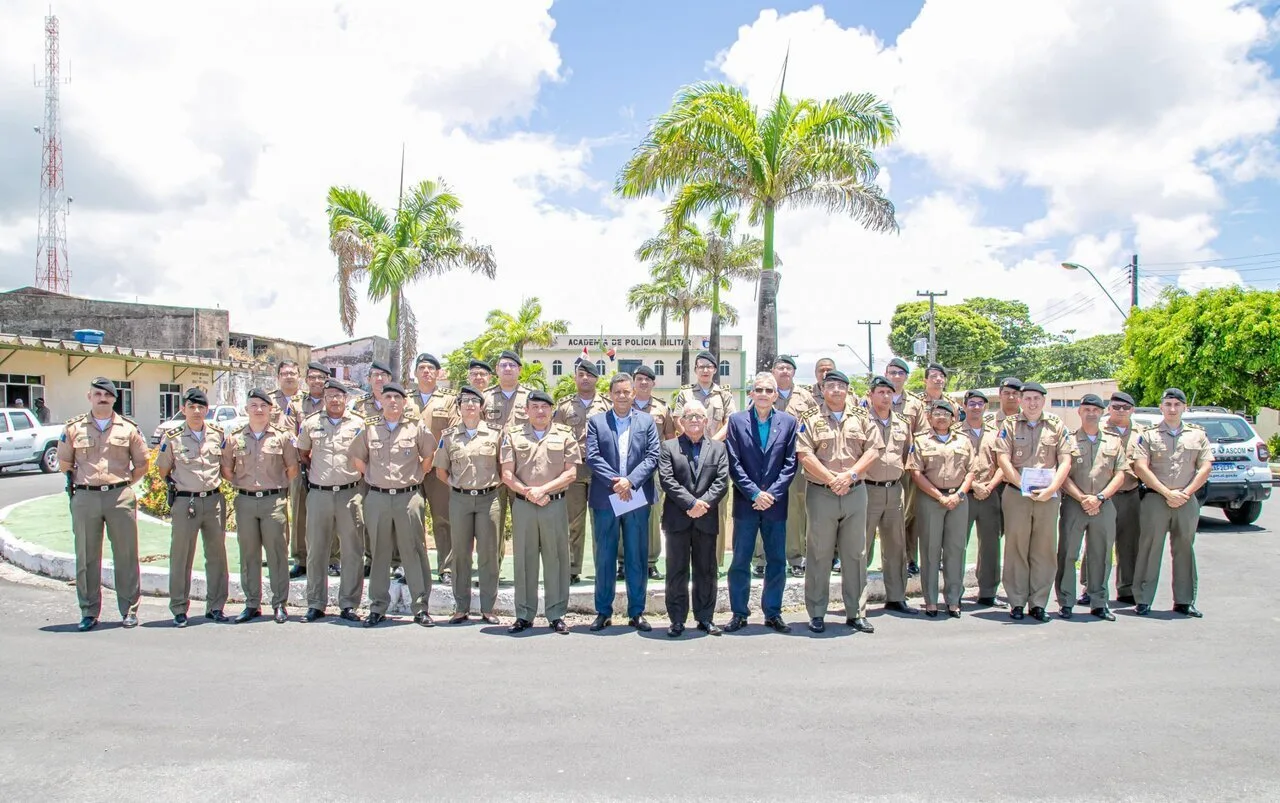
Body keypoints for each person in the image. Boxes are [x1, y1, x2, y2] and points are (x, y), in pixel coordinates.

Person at [57, 377, 149, 632]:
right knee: (86, 556)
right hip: (85, 497)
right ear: (90, 397)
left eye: (107, 395)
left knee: (126, 555)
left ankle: (129, 610)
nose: (102, 398)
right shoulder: (74, 428)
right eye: (98, 394)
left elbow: (142, 463)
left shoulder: (128, 428)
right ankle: (88, 611)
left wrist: (124, 482)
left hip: (118, 496)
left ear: (114, 399)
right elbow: (64, 463)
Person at [794, 370, 879, 634]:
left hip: (855, 491)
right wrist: (832, 479)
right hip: (822, 492)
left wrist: (850, 475)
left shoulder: (863, 418)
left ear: (847, 390)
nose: (836, 390)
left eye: (841, 386)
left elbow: (874, 449)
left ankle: (856, 612)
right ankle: (817, 612)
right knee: (819, 554)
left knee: (855, 554)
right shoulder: (810, 419)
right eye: (830, 386)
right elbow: (804, 454)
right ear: (822, 389)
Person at [348, 382, 437, 627]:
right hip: (377, 497)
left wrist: (418, 474)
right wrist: (373, 478)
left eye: (398, 397)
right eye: (388, 397)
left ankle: (420, 607)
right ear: (382, 401)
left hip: (409, 497)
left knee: (414, 551)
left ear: (404, 402)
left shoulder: (416, 427)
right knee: (379, 552)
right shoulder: (369, 428)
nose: (393, 401)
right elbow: (357, 458)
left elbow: (429, 456)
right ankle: (377, 607)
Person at [723, 372, 799, 633]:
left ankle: (773, 613)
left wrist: (772, 494)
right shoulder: (736, 421)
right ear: (751, 394)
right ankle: (739, 613)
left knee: (777, 561)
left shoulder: (789, 423)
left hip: (776, 505)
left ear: (776, 395)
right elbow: (733, 462)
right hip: (747, 503)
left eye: (769, 390)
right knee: (741, 561)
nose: (764, 394)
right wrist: (755, 493)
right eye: (759, 390)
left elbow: (790, 465)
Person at [500, 389, 581, 634]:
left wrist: (542, 490)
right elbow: (506, 474)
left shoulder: (565, 434)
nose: (540, 411)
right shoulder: (512, 435)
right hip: (524, 505)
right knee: (524, 560)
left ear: (552, 410)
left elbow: (571, 473)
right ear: (526, 411)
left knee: (556, 559)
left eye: (544, 407)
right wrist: (528, 492)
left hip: (553, 504)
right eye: (534, 406)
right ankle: (524, 614)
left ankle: (556, 614)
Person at [586, 373, 661, 632]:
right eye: (617, 392)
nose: (622, 396)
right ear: (609, 394)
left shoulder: (647, 421)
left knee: (636, 556)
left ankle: (636, 612)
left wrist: (630, 482)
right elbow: (593, 456)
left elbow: (653, 456)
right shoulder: (596, 422)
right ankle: (603, 611)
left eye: (626, 392)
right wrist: (617, 483)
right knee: (604, 557)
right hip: (606, 498)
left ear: (633, 394)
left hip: (636, 497)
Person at [993, 381, 1074, 622]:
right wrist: (1021, 484)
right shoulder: (1009, 424)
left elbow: (1065, 460)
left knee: (1044, 550)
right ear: (1020, 400)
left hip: (1047, 496)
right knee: (1016, 548)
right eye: (1027, 398)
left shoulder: (1057, 425)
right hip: (1017, 493)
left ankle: (1038, 603)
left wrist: (1052, 488)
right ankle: (1017, 602)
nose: (1032, 403)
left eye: (1036, 399)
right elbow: (1003, 459)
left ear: (1043, 401)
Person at [1130, 388, 1213, 617]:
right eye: (1168, 404)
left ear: (1185, 407)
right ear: (1161, 407)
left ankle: (1185, 601)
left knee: (1185, 548)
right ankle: (1143, 599)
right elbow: (1140, 466)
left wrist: (1185, 493)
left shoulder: (1197, 435)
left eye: (1177, 404)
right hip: (1156, 499)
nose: (1173, 408)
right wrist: (1167, 492)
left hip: (1186, 500)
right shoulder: (1148, 435)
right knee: (1149, 548)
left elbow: (1205, 466)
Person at [221, 388, 300, 624]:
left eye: (263, 405)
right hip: (245, 501)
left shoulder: (282, 437)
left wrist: (276, 487)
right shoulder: (234, 437)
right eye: (253, 405)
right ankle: (252, 603)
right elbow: (227, 469)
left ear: (270, 409)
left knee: (277, 554)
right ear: (246, 409)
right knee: (249, 555)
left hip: (273, 501)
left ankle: (280, 604)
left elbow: (292, 469)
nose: (258, 409)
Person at [155, 387, 229, 627]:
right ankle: (179, 607)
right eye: (191, 407)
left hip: (214, 500)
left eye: (201, 407)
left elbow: (227, 468)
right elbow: (163, 470)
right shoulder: (173, 437)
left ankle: (216, 606)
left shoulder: (218, 435)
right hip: (185, 501)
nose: (196, 411)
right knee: (181, 556)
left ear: (207, 410)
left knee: (217, 556)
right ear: (182, 409)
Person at [295, 378, 365, 623]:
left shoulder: (359, 424)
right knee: (316, 550)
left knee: (352, 550)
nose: (335, 399)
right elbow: (303, 454)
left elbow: (366, 456)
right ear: (323, 398)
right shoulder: (311, 423)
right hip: (319, 494)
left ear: (346, 398)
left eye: (339, 395)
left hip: (350, 493)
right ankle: (316, 603)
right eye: (330, 395)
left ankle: (349, 603)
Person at [657, 400, 729, 637]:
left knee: (706, 570)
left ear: (706, 421)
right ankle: (677, 619)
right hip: (678, 518)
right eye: (689, 416)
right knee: (676, 570)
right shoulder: (668, 447)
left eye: (699, 416)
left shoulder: (718, 448)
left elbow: (721, 482)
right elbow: (667, 479)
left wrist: (702, 505)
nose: (694, 420)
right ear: (681, 421)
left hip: (706, 519)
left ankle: (705, 618)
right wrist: (690, 503)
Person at [1055, 393, 1129, 621]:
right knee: (1068, 553)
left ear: (1102, 412)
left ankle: (1099, 602)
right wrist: (1082, 498)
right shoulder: (1067, 440)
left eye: (1095, 410)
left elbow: (1121, 474)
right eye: (1086, 409)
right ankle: (1066, 602)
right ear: (1079, 411)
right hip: (1074, 505)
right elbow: (1062, 473)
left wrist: (1099, 497)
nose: (1091, 413)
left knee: (1102, 555)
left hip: (1103, 505)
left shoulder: (1114, 441)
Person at [433, 385, 503, 625]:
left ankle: (488, 608)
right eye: (465, 402)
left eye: (475, 401)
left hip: (488, 499)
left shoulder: (496, 433)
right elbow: (441, 470)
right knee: (460, 554)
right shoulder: (449, 435)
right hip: (460, 499)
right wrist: (457, 485)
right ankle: (461, 607)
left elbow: (504, 467)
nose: (470, 405)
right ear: (459, 407)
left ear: (482, 407)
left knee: (488, 554)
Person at [908, 399, 975, 618]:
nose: (941, 417)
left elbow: (971, 471)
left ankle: (954, 600)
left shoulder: (964, 441)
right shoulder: (920, 441)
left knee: (956, 550)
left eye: (946, 414)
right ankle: (930, 601)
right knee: (929, 550)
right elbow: (916, 473)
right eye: (936, 413)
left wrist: (959, 494)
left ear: (954, 418)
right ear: (929, 417)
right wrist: (939, 496)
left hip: (958, 499)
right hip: (931, 498)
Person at [672, 350, 736, 567]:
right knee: (688, 503)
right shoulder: (685, 394)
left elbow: (729, 422)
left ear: (715, 370)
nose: (705, 370)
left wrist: (711, 444)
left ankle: (715, 562)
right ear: (696, 370)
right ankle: (689, 561)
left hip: (716, 456)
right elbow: (677, 419)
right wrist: (693, 439)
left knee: (716, 509)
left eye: (709, 367)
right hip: (687, 454)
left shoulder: (724, 395)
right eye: (701, 367)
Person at [552, 359, 610, 584]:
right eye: (581, 374)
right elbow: (555, 435)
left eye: (590, 375)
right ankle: (572, 568)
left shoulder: (606, 405)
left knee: (602, 520)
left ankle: (603, 568)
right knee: (572, 520)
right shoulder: (565, 406)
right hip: (574, 468)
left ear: (596, 378)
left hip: (600, 470)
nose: (585, 378)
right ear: (575, 378)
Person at [863, 375, 917, 614]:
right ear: (871, 395)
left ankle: (896, 596)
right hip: (867, 489)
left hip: (894, 490)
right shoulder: (861, 421)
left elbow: (909, 454)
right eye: (880, 392)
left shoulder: (902, 423)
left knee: (896, 546)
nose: (885, 396)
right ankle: (857, 599)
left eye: (889, 392)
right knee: (860, 547)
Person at [762, 354, 818, 579]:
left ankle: (796, 557)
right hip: (767, 460)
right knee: (763, 504)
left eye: (788, 368)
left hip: (796, 458)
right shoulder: (764, 392)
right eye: (780, 368)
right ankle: (761, 558)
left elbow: (816, 424)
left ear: (793, 372)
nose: (784, 371)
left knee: (796, 508)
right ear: (774, 372)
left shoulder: (806, 397)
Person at [406, 353, 459, 585]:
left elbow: (453, 432)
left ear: (438, 374)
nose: (426, 372)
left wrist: (434, 458)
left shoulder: (448, 400)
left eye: (431, 368)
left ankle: (446, 567)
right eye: (422, 368)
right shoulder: (405, 399)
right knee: (411, 518)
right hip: (409, 468)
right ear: (415, 373)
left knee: (443, 519)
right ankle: (412, 566)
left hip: (438, 468)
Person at [484, 350, 533, 562]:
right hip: (491, 468)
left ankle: (525, 567)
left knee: (524, 521)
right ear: (496, 370)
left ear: (519, 370)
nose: (507, 369)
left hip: (522, 469)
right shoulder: (485, 397)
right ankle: (492, 568)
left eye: (512, 366)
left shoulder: (531, 397)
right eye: (503, 365)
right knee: (492, 521)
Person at [960, 390, 1005, 606]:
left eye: (979, 403)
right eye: (971, 403)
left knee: (990, 544)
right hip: (964, 495)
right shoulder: (955, 432)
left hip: (990, 493)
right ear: (965, 406)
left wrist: (990, 486)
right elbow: (952, 466)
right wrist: (974, 485)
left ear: (985, 407)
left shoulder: (996, 434)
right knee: (957, 544)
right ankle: (954, 591)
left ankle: (988, 592)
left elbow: (1003, 464)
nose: (976, 407)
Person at [633, 364, 676, 580]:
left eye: (647, 379)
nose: (643, 383)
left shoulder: (662, 408)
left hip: (655, 467)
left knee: (652, 514)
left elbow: (670, 438)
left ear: (653, 383)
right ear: (634, 382)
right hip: (628, 469)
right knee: (626, 512)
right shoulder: (623, 405)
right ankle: (624, 561)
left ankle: (651, 561)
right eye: (639, 378)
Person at [270, 360, 310, 580]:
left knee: (299, 510)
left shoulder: (306, 401)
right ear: (278, 376)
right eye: (284, 373)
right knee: (274, 511)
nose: (289, 377)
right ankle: (276, 553)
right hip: (272, 463)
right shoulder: (267, 399)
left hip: (297, 462)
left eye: (293, 373)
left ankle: (299, 557)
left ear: (299, 376)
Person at [1102, 391, 1142, 606]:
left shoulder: (1142, 433)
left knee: (1129, 544)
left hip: (1131, 493)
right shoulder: (1097, 430)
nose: (1120, 411)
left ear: (1132, 410)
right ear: (1109, 408)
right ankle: (1091, 587)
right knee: (1099, 543)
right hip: (1104, 495)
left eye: (1125, 407)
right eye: (1116, 407)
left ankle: (1127, 588)